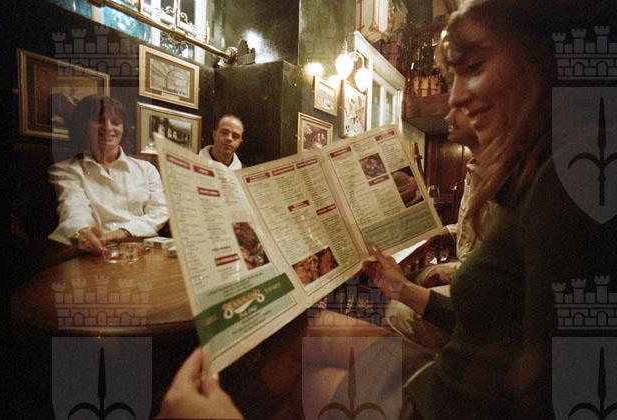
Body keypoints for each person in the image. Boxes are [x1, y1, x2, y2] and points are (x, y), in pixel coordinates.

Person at [159, 0, 617, 418]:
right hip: (450, 374)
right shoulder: (539, 177)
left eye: (475, 67)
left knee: (314, 374)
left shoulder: (572, 184)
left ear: (550, 54)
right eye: (453, 77)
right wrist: (405, 290)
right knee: (313, 331)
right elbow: (494, 323)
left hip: (444, 402)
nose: (456, 99)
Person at [385, 107, 495, 348]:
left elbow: (496, 268)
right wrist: (439, 232)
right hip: (470, 270)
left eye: (461, 108)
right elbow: (471, 229)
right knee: (409, 278)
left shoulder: (500, 176)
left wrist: (446, 273)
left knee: (398, 312)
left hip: (484, 288)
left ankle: (432, 366)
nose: (448, 117)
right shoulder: (474, 169)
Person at [48, 95, 169, 255]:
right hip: (94, 253)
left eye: (116, 122)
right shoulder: (65, 170)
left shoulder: (146, 169)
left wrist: (121, 233)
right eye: (99, 120)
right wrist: (84, 233)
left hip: (143, 250)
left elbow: (160, 211)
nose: (108, 127)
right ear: (83, 125)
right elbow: (73, 209)